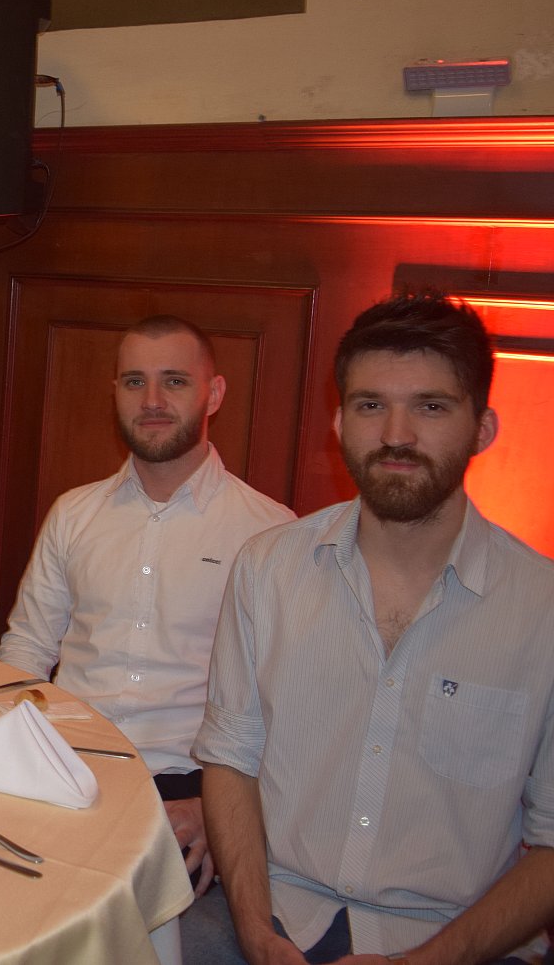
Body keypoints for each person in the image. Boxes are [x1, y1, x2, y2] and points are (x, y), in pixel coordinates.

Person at [191, 293, 554, 964]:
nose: (396, 434)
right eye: (370, 405)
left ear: (482, 428)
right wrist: (256, 932)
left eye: (431, 407)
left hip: (459, 937)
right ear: (338, 422)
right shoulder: (267, 569)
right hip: (277, 910)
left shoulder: (542, 610)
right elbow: (231, 761)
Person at [0, 315, 294, 897]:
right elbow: (27, 647)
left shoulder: (270, 533)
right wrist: (11, 749)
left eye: (174, 381)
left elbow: (285, 702)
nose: (152, 400)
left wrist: (218, 807)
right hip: (63, 764)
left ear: (214, 393)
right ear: (115, 393)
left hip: (187, 790)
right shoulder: (73, 513)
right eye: (135, 382)